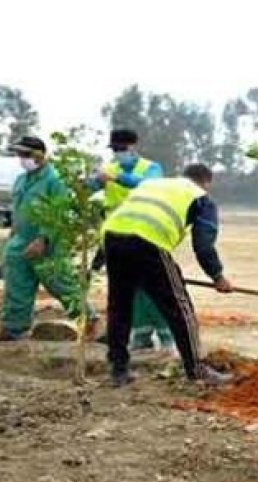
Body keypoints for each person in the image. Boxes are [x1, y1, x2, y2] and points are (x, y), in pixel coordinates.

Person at [101, 164, 234, 387]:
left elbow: (126, 214)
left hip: (112, 236)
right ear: (206, 182)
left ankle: (118, 370)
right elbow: (203, 245)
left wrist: (98, 260)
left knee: (119, 305)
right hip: (149, 241)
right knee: (179, 307)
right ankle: (197, 369)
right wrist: (218, 276)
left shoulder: (153, 184)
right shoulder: (201, 197)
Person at [0, 136, 98, 341]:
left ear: (40, 155)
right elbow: (18, 209)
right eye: (19, 154)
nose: (22, 159)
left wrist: (44, 239)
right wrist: (13, 234)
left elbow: (59, 212)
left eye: (26, 154)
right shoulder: (21, 180)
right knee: (16, 284)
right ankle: (13, 327)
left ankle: (89, 319)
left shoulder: (54, 180)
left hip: (47, 242)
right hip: (20, 240)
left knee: (59, 282)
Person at [93, 129, 173, 355]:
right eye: (115, 149)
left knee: (152, 287)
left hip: (144, 235)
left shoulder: (150, 168)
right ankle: (140, 335)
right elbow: (92, 188)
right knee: (127, 290)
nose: (118, 154)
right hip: (116, 237)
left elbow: (148, 185)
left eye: (122, 149)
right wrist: (94, 181)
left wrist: (117, 178)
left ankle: (166, 336)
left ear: (133, 147)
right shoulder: (108, 169)